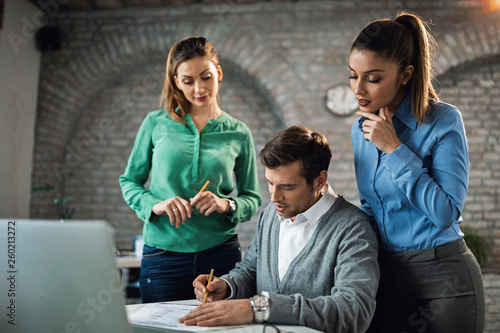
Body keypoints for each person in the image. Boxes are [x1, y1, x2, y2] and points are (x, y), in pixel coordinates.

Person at [349, 12, 485, 333]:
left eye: (373, 78)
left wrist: (395, 149)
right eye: (353, 75)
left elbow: (445, 212)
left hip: (444, 280)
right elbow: (372, 209)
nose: (359, 89)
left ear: (406, 74)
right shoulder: (360, 129)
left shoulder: (443, 120)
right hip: (386, 277)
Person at [179, 125, 380, 333]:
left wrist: (259, 308)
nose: (274, 197)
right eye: (270, 183)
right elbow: (251, 270)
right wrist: (227, 286)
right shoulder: (270, 214)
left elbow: (353, 311)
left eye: (287, 187)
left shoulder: (353, 228)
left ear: (319, 181)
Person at [119, 36, 262, 303]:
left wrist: (225, 204)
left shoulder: (239, 132)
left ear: (218, 72)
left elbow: (252, 198)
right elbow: (129, 181)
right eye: (188, 81)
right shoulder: (155, 123)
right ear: (176, 82)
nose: (199, 88)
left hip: (220, 255)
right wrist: (156, 205)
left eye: (206, 77)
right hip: (162, 257)